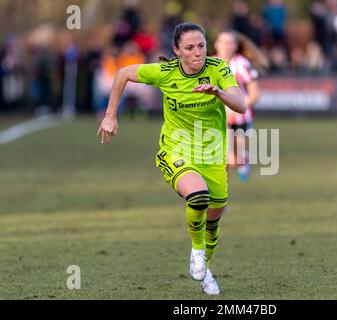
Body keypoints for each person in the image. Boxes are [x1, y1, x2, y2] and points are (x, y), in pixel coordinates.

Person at [97, 22, 246, 295]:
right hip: (175, 151)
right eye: (189, 48)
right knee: (198, 197)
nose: (197, 52)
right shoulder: (164, 72)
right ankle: (197, 253)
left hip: (211, 155)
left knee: (214, 220)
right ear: (177, 50)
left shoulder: (218, 68)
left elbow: (241, 103)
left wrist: (219, 92)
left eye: (201, 45)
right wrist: (110, 115)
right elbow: (122, 74)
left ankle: (205, 270)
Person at [214, 30, 268, 182]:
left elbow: (255, 94)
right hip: (218, 117)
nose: (226, 46)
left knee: (235, 160)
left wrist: (235, 106)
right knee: (223, 156)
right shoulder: (209, 63)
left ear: (235, 46)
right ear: (216, 44)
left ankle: (243, 160)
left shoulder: (242, 64)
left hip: (240, 116)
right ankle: (220, 187)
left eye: (230, 42)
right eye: (223, 42)